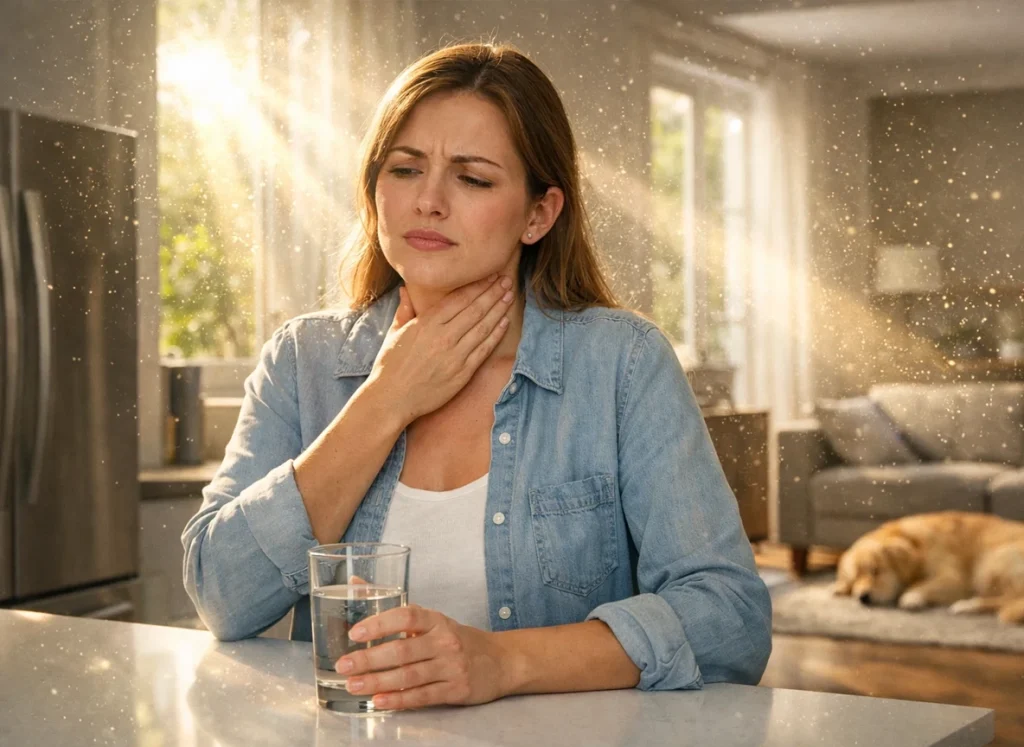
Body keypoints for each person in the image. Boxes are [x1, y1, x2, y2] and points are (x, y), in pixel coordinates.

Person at [182, 42, 771, 711]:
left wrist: (503, 660)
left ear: (538, 214)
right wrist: (384, 401)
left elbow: (731, 619)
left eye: (473, 179)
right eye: (404, 169)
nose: (427, 201)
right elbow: (221, 596)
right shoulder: (302, 358)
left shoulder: (622, 364)